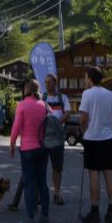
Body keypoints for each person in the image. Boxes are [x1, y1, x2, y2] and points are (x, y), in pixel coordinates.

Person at [79, 66, 112, 223]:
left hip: (92, 138)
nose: (85, 80)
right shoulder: (110, 94)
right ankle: (111, 211)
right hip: (108, 137)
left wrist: (84, 132)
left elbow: (83, 118)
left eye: (86, 77)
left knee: (93, 173)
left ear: (90, 79)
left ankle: (94, 212)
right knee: (108, 172)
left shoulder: (87, 94)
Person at [10, 79, 50, 223]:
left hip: (27, 149)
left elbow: (16, 127)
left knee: (29, 184)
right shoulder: (45, 105)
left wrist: (12, 144)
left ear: (26, 90)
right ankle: (45, 217)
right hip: (43, 148)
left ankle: (30, 219)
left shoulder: (22, 105)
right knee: (42, 183)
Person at [43, 74, 70, 205]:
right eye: (45, 82)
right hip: (44, 137)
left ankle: (57, 192)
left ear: (55, 83)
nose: (47, 84)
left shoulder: (62, 97)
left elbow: (68, 113)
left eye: (49, 82)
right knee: (41, 166)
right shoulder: (42, 98)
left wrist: (57, 123)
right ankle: (40, 194)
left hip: (58, 137)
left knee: (57, 167)